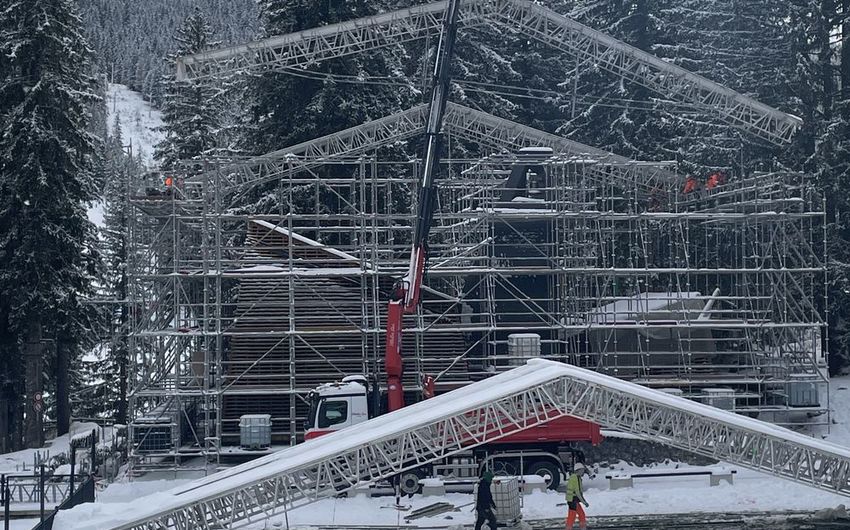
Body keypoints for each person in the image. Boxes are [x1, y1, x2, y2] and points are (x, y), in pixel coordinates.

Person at [566, 462, 589, 530]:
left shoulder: (576, 477)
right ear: (578, 470)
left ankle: (583, 528)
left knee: (581, 514)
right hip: (573, 500)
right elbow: (578, 492)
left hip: (573, 499)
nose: (583, 472)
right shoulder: (575, 478)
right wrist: (584, 502)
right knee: (572, 517)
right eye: (582, 470)